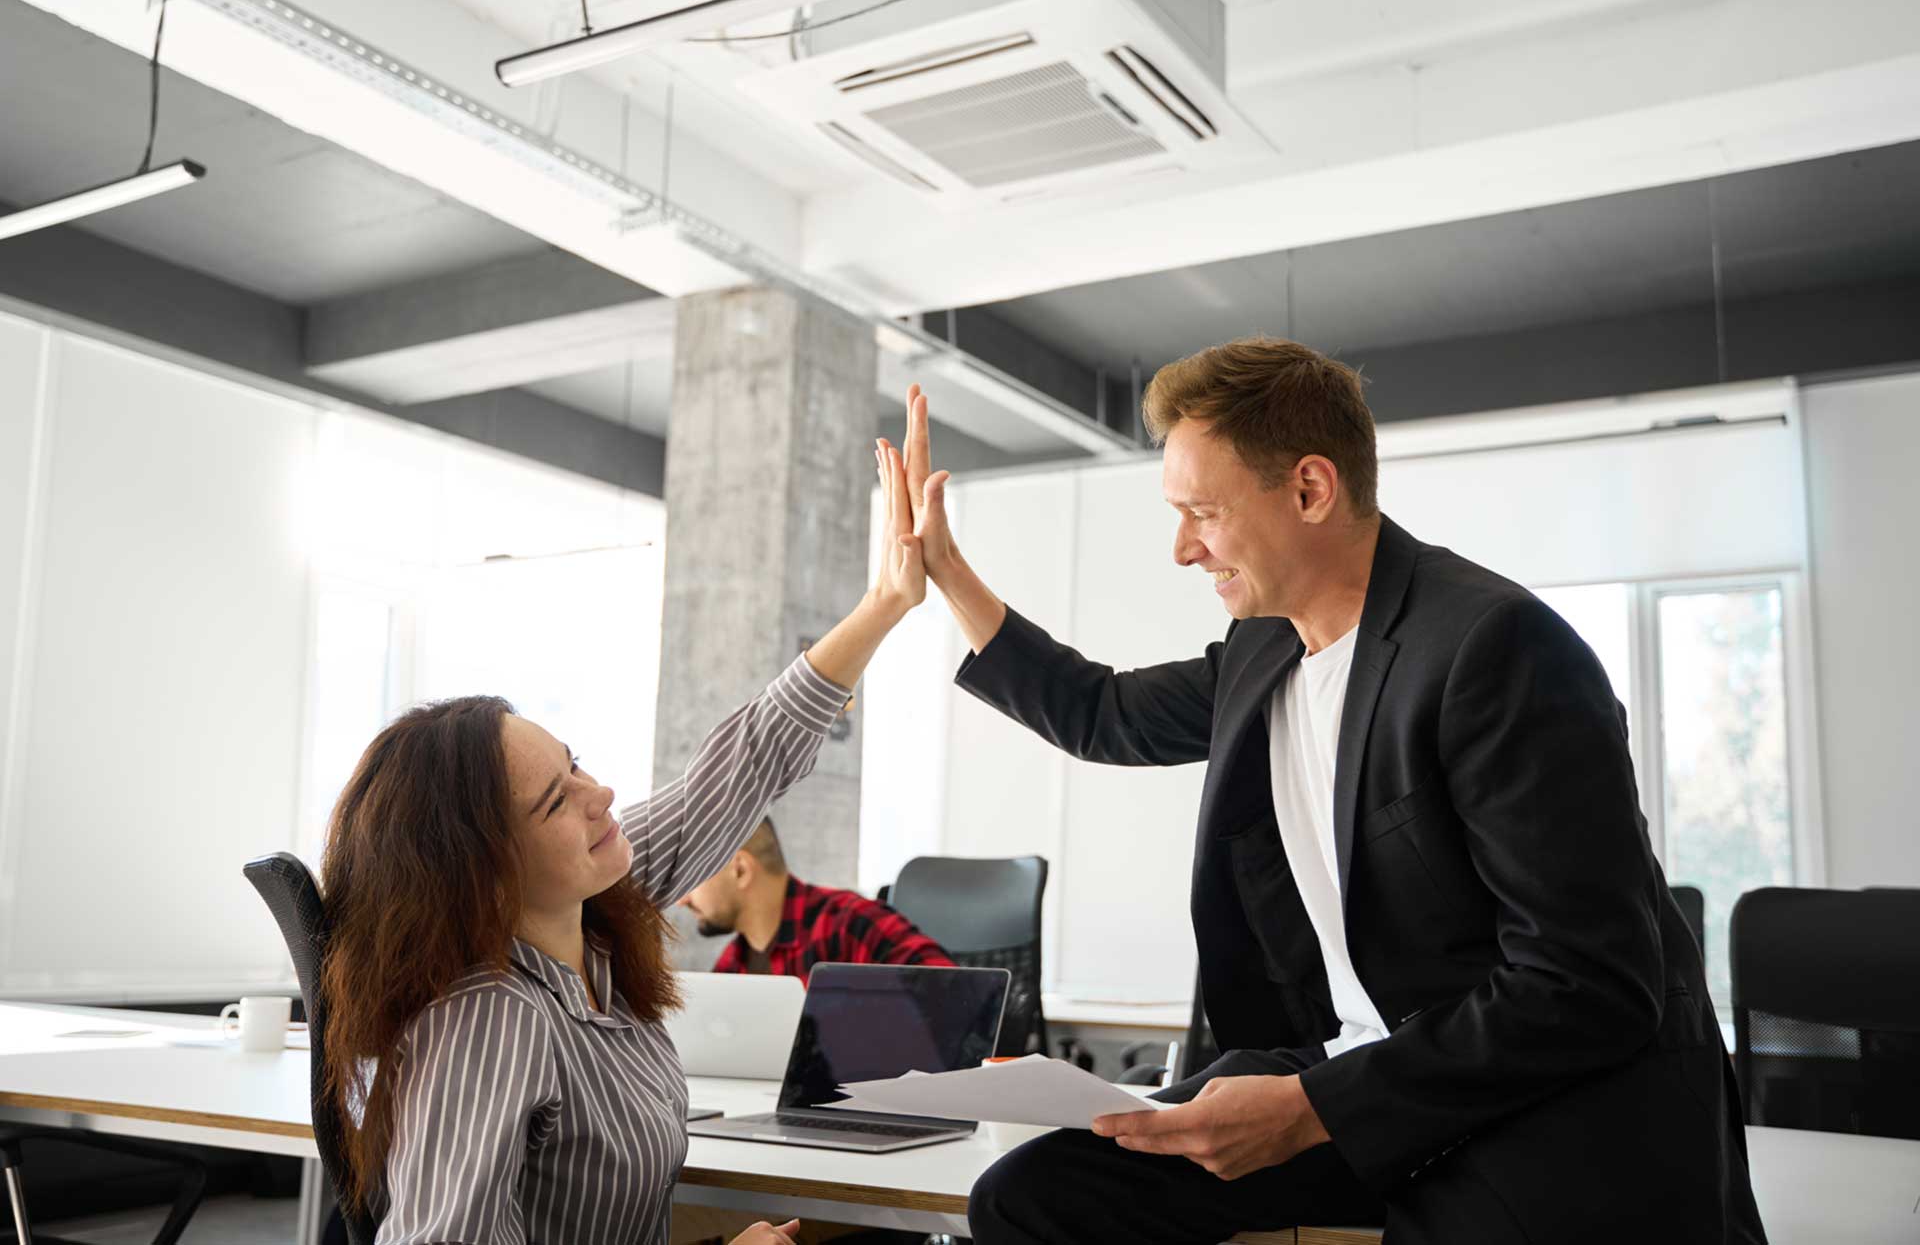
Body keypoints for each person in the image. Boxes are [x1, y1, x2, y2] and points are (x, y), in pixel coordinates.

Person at [891, 343, 1766, 1245]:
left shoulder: (1494, 648)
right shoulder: (1264, 655)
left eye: (1204, 513)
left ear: (1311, 490)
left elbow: (1587, 987)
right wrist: (945, 567)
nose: (1183, 548)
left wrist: (1314, 1107)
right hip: (1356, 1077)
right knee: (1034, 1196)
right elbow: (1100, 711)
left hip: (1535, 1108)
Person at [317, 441, 929, 1245]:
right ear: (487, 873)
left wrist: (884, 603)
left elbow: (742, 764)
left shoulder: (590, 901)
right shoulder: (490, 1017)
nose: (599, 795)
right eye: (555, 801)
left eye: (575, 765)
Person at [678, 817, 954, 979]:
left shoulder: (849, 923)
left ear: (740, 870)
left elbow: (953, 989)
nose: (682, 899)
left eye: (691, 880)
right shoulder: (732, 965)